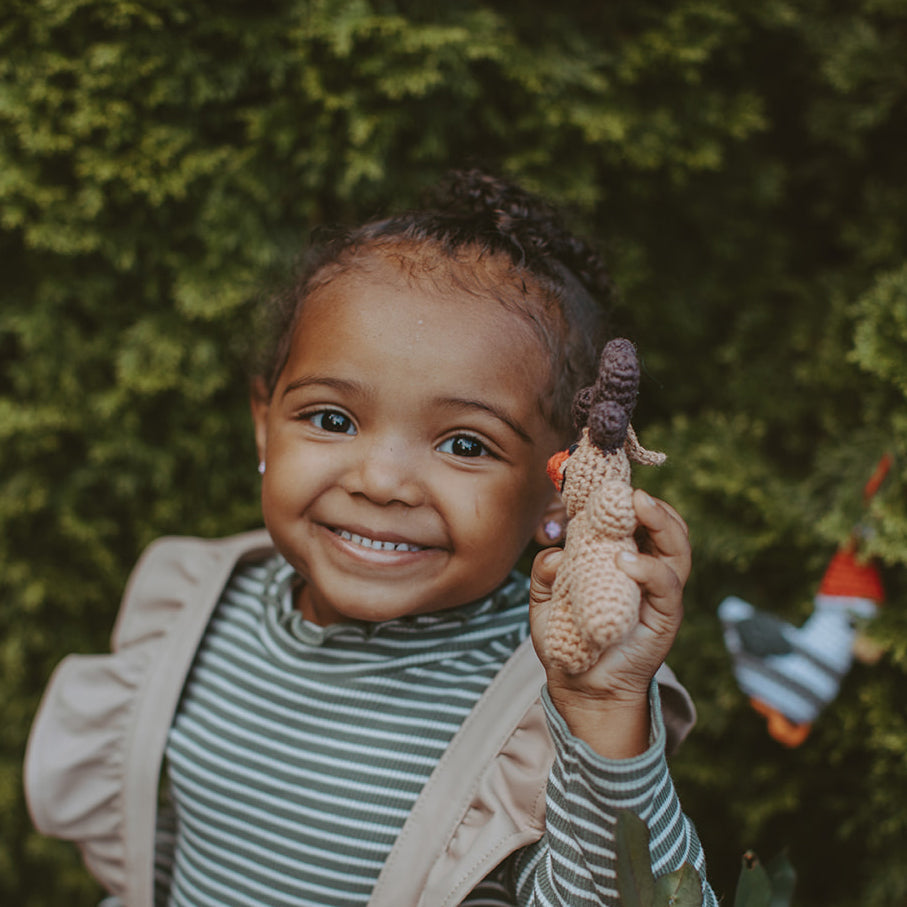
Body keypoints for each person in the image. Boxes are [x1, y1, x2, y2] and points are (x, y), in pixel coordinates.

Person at [25, 169, 718, 907]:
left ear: (558, 491)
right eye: (332, 419)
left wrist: (604, 711)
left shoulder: (552, 693)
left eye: (464, 444)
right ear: (264, 423)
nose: (382, 481)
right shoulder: (196, 609)